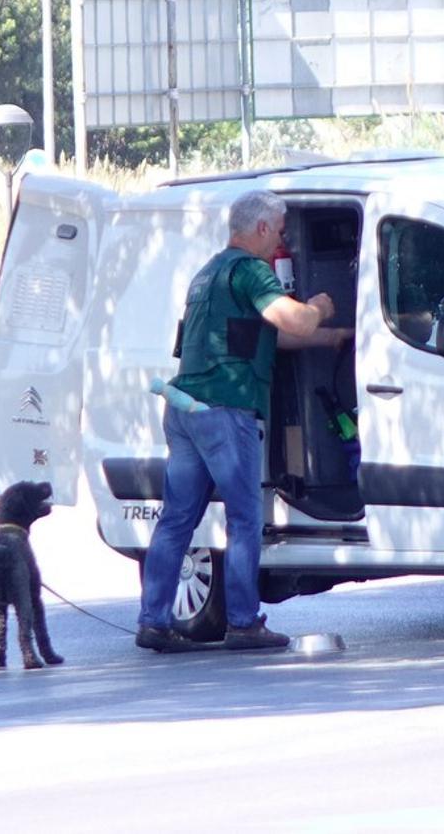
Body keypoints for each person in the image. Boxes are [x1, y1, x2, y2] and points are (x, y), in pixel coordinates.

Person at [137, 190, 349, 653]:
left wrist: (330, 337)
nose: (281, 239)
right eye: (278, 230)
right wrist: (320, 309)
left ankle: (153, 621)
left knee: (176, 520)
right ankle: (244, 622)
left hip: (184, 407)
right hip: (224, 408)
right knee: (244, 518)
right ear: (259, 230)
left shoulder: (207, 273)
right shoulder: (250, 270)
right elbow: (291, 320)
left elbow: (262, 339)